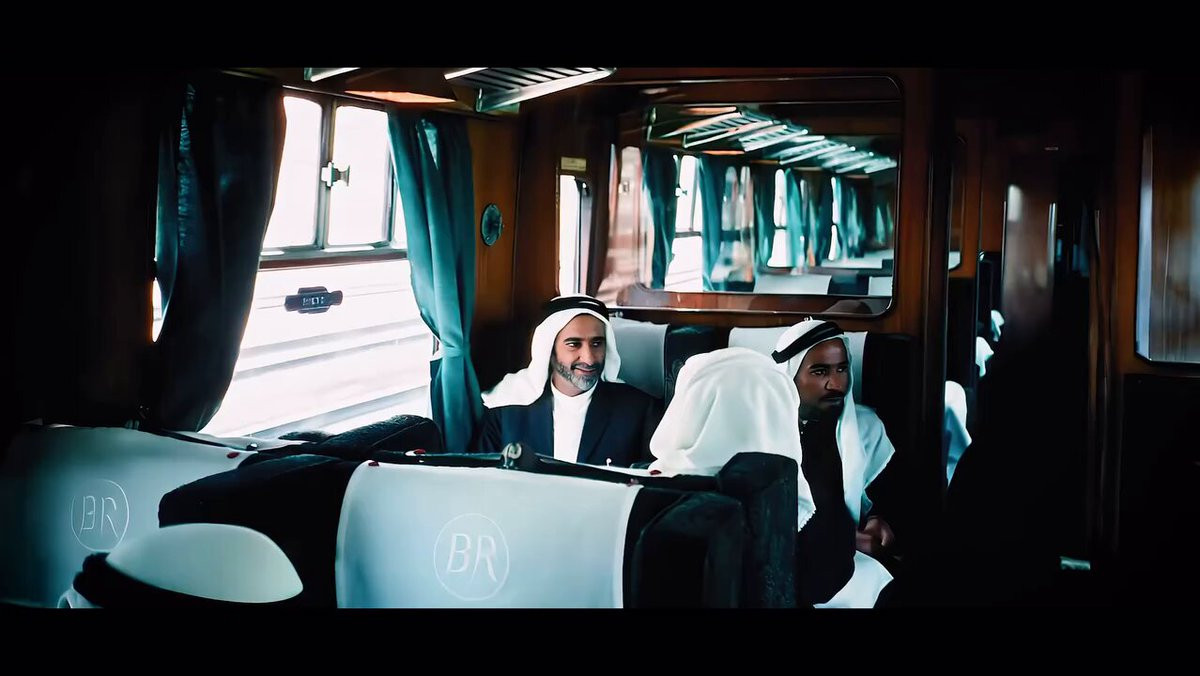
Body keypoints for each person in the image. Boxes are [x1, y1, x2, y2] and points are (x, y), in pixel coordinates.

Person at [771, 319, 899, 607]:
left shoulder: (867, 428)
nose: (837, 384)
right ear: (789, 377)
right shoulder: (766, 432)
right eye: (820, 372)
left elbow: (887, 497)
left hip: (851, 566)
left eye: (842, 369)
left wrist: (879, 521)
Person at [473, 294, 658, 467]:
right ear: (550, 350)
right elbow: (481, 478)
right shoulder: (506, 407)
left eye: (596, 344)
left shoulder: (639, 410)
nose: (589, 359)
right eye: (574, 344)